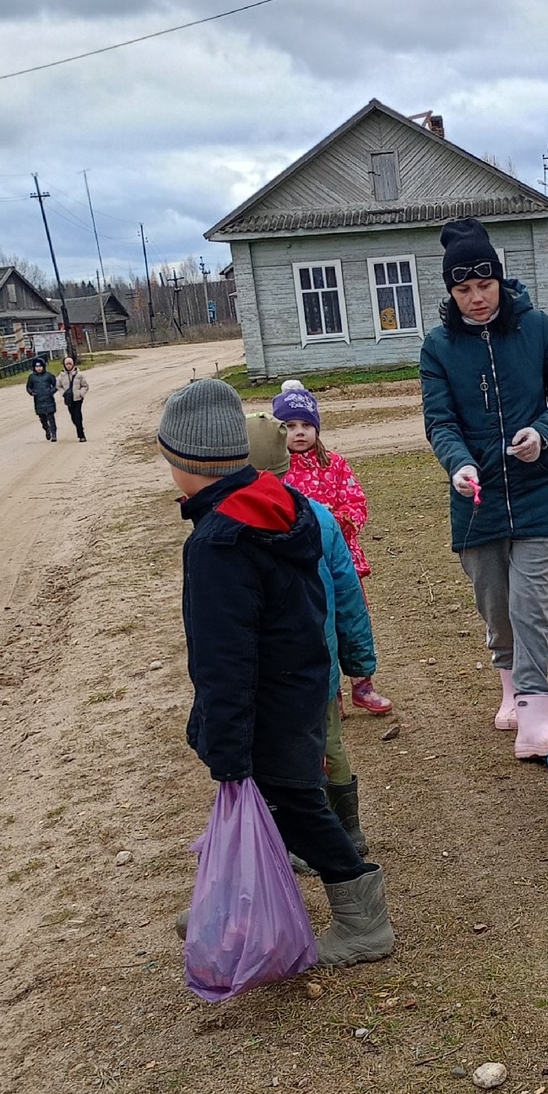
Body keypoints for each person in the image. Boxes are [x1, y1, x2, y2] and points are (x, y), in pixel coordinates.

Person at [158, 377, 394, 966]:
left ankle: (362, 921)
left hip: (266, 700)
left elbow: (224, 655)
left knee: (293, 802)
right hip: (304, 684)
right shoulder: (283, 506)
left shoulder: (218, 541)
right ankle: (229, 901)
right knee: (266, 797)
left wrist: (226, 738)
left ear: (187, 462)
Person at [419, 217, 548, 760]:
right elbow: (440, 422)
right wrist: (459, 466)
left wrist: (544, 432)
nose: (477, 299)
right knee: (496, 604)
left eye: (484, 286)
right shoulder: (438, 347)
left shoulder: (536, 328)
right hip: (476, 498)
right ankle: (509, 686)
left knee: (530, 602)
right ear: (450, 291)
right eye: (463, 290)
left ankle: (535, 716)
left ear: (499, 280)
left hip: (536, 491)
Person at [245, 411, 374, 856]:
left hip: (265, 667)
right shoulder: (320, 517)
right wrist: (358, 664)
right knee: (329, 741)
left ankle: (298, 835)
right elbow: (350, 597)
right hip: (318, 661)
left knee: (280, 748)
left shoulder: (231, 522)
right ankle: (346, 828)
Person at [272, 384, 392, 717]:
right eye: (290, 426)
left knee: (352, 622)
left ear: (317, 428)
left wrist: (338, 523)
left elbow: (357, 502)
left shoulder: (335, 465)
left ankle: (362, 684)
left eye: (305, 426)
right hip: (302, 566)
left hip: (343, 561)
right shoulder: (277, 474)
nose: (299, 433)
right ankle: (329, 694)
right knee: (316, 629)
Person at [25, 356, 58, 441]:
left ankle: (54, 434)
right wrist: (32, 392)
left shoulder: (49, 376)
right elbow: (29, 387)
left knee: (51, 418)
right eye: (36, 367)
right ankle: (47, 429)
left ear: (43, 367)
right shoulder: (32, 377)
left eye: (40, 366)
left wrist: (51, 391)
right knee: (42, 418)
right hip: (38, 401)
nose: (38, 368)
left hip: (49, 399)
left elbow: (56, 385)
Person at [60, 353, 89, 440]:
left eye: (70, 364)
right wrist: (63, 393)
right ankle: (79, 428)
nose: (68, 366)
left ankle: (81, 435)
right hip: (69, 399)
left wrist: (81, 393)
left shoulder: (79, 375)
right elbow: (58, 386)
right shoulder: (61, 375)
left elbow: (85, 386)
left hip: (78, 398)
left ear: (73, 364)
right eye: (67, 364)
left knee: (78, 415)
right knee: (73, 417)